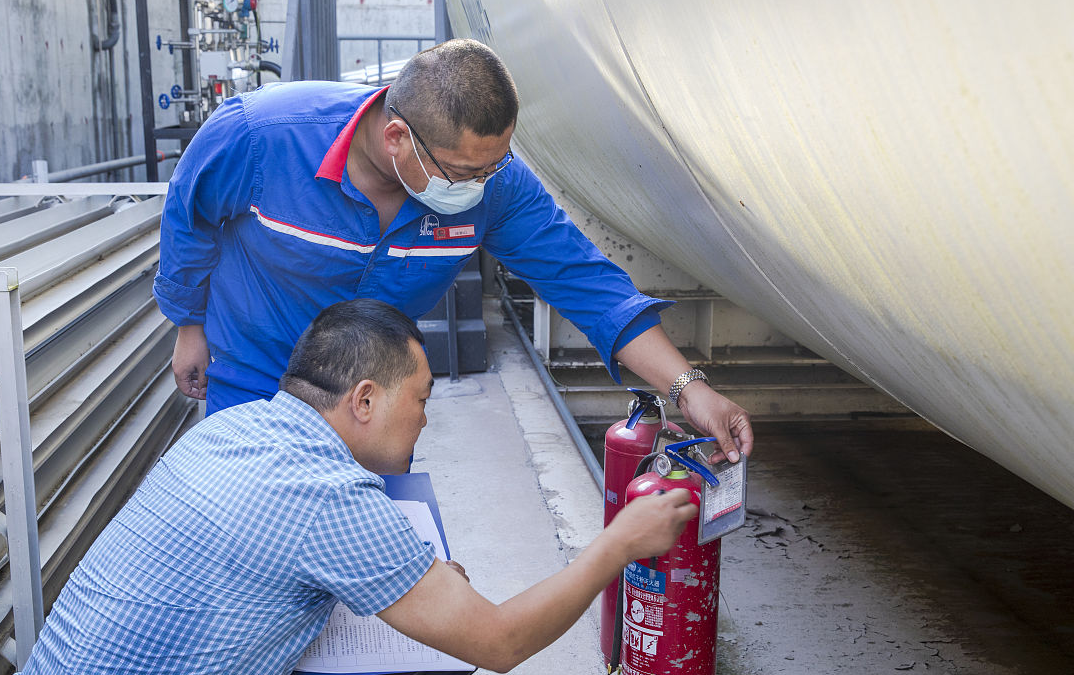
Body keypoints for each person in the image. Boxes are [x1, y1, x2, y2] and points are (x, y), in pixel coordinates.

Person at [4, 299, 699, 675]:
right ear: (365, 400)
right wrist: (619, 541)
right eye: (421, 399)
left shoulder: (236, 428)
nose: (427, 417)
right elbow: (499, 642)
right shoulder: (327, 494)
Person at [154, 38, 753, 465]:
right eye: (465, 171)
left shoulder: (495, 186)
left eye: (496, 165)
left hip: (373, 407)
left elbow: (585, 282)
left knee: (354, 582)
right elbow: (190, 215)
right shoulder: (259, 137)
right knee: (250, 550)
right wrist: (188, 325)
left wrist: (690, 388)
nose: (481, 184)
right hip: (255, 378)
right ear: (397, 138)